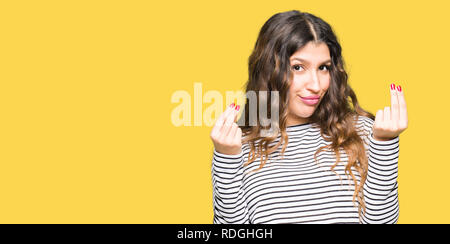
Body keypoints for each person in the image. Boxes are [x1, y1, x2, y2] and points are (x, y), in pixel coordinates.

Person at [210, 10, 408, 224]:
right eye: (298, 67)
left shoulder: (363, 132)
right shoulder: (239, 146)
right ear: (269, 70)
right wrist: (226, 158)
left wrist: (385, 144)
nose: (316, 85)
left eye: (324, 68)